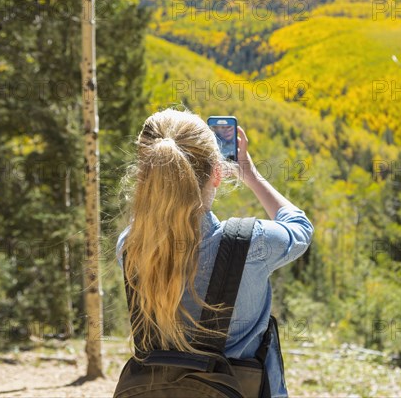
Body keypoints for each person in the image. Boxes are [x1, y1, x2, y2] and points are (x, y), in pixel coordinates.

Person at [115, 108, 314, 397]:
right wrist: (251, 175)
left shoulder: (130, 246)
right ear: (217, 174)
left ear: (146, 176)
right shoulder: (252, 244)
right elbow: (300, 227)